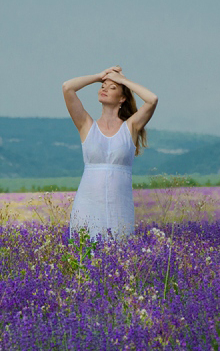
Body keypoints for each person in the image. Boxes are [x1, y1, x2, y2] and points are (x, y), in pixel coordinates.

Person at [62, 65, 158, 239]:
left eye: (112, 87)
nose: (104, 89)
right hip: (87, 203)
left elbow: (152, 99)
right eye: (102, 86)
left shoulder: (131, 127)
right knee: (85, 249)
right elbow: (68, 87)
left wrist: (122, 80)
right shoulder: (86, 125)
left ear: (122, 98)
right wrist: (99, 76)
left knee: (120, 250)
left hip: (119, 206)